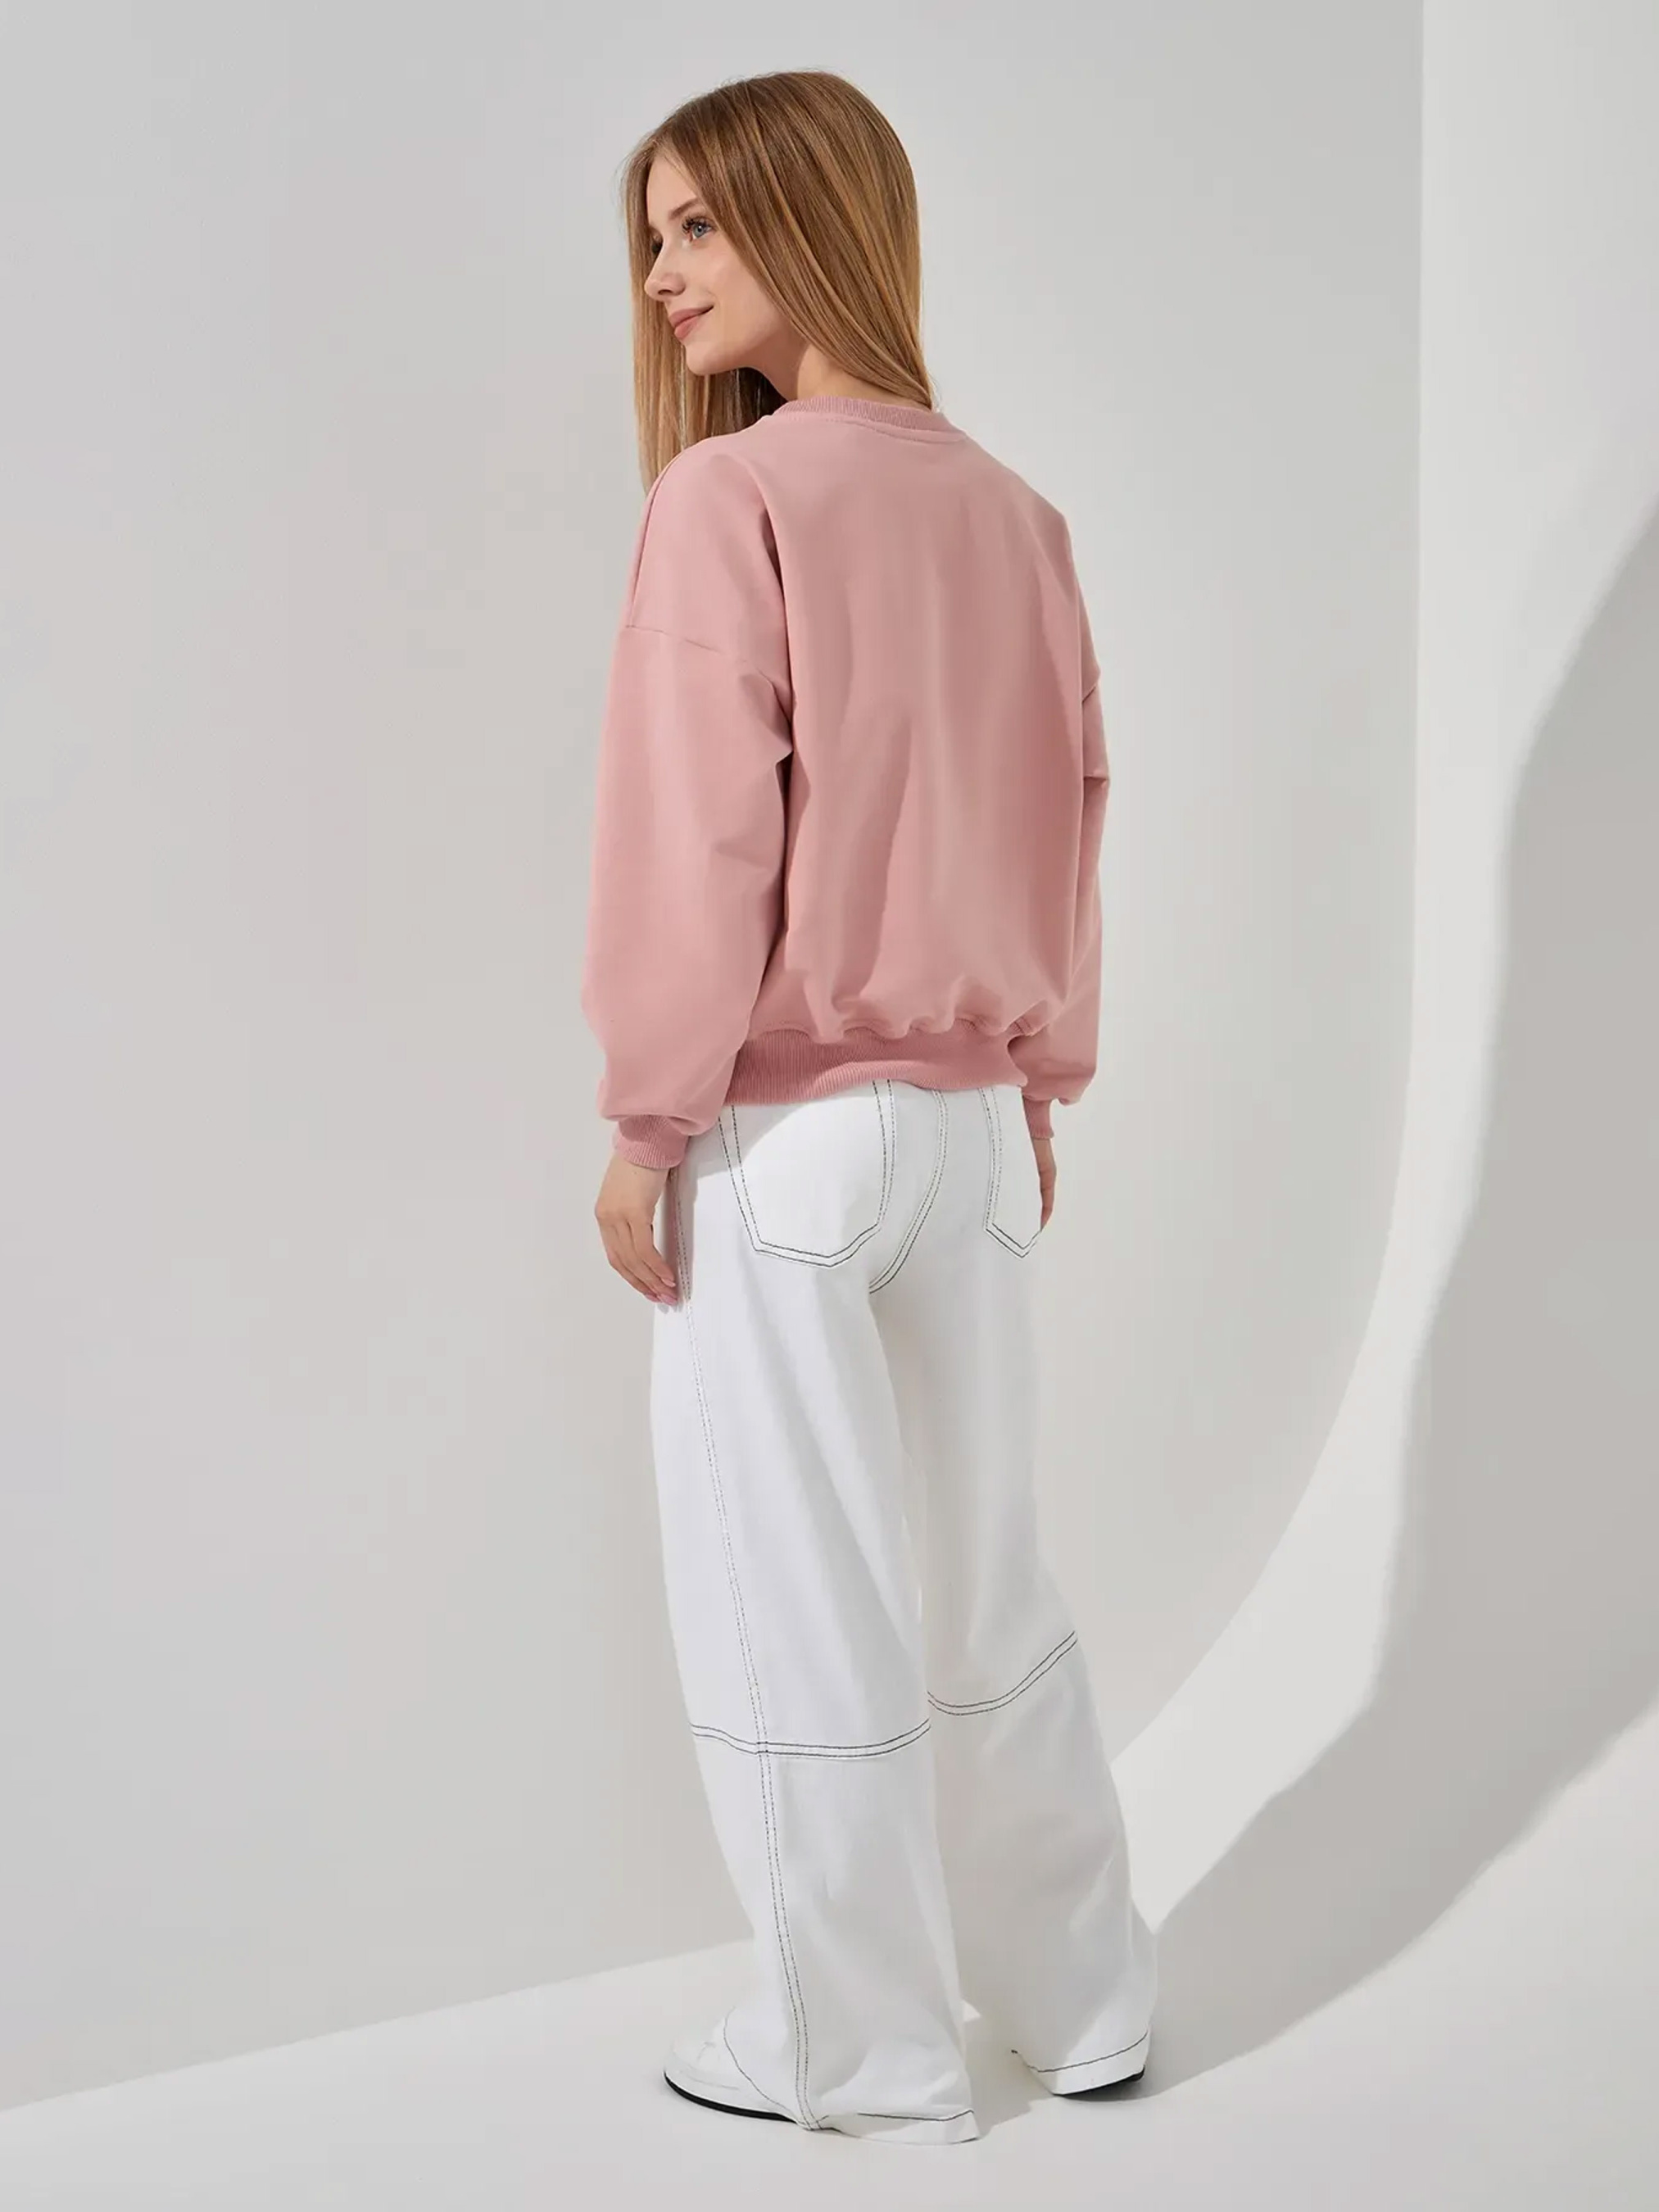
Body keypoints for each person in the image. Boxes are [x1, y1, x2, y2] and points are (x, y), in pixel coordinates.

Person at [578, 69, 1155, 2146]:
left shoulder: (726, 500)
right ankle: (1078, 1998)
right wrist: (1039, 1080)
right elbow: (1065, 813)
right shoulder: (1013, 511)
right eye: (651, 236)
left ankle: (856, 2047)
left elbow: (698, 837)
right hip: (974, 1131)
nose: (661, 277)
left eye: (699, 226)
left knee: (788, 1587)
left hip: (786, 1138)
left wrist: (646, 1118)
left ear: (813, 217)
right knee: (988, 1584)